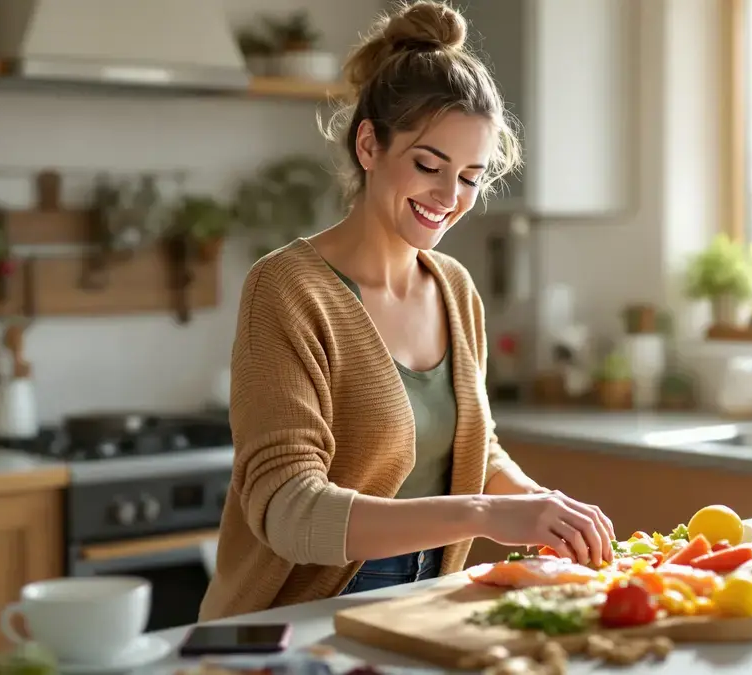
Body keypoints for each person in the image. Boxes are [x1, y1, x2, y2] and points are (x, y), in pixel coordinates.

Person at [199, 0, 614, 621]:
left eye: (471, 177)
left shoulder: (455, 288)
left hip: (419, 605)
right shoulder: (287, 288)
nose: (449, 197)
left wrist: (541, 506)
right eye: (428, 165)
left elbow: (471, 449)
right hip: (297, 622)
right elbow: (288, 509)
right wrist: (486, 514)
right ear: (369, 145)